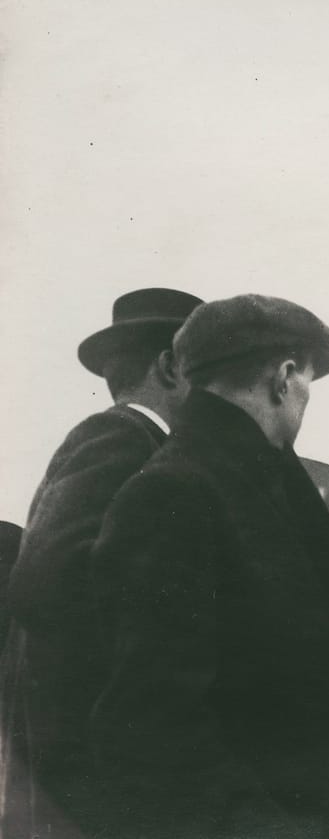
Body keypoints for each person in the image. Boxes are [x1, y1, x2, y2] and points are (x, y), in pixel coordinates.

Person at [87, 294, 329, 839]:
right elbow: (156, 730)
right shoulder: (178, 493)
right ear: (284, 377)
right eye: (309, 380)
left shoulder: (260, 484)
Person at [0, 287, 202, 839]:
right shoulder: (122, 436)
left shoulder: (136, 443)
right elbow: (48, 582)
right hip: (80, 764)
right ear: (169, 366)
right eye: (210, 375)